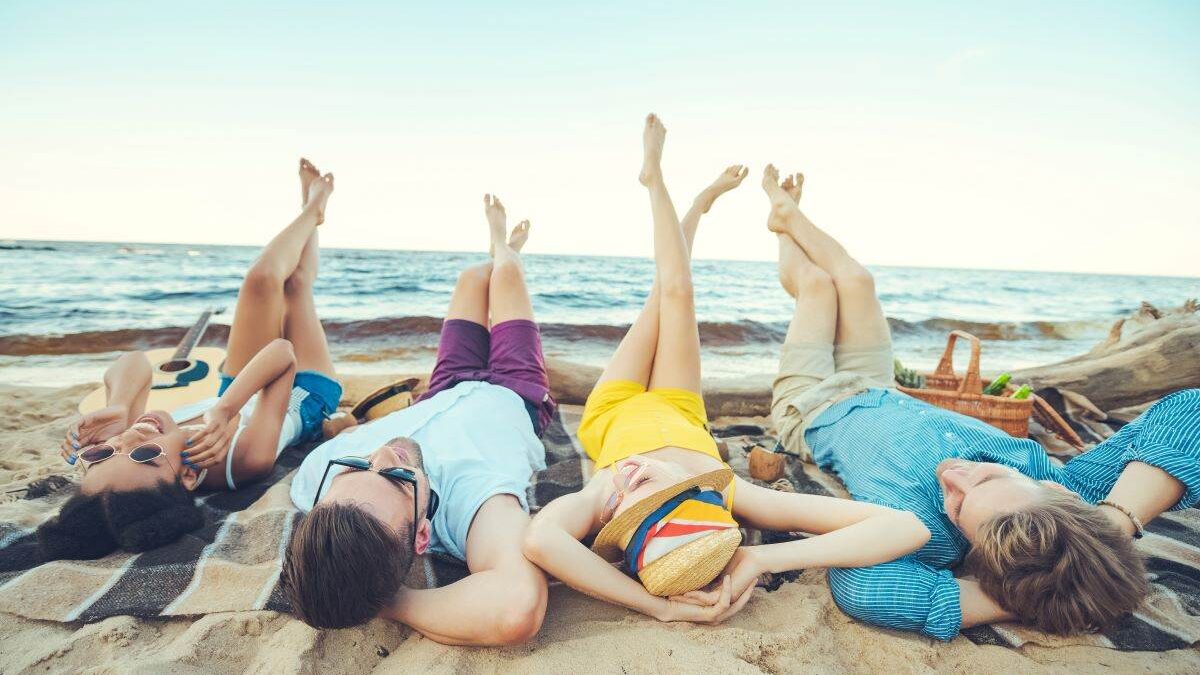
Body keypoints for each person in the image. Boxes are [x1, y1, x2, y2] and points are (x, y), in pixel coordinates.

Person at [761, 161, 1200, 639]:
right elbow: (1188, 412)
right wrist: (1115, 523)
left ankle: (782, 230)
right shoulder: (1067, 490)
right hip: (880, 385)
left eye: (957, 505)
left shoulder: (928, 538)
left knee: (818, 288)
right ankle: (789, 216)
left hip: (811, 407)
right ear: (1060, 494)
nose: (955, 477)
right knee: (859, 281)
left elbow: (867, 590)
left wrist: (1030, 593)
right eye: (988, 476)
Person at [521, 115, 931, 624]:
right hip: (678, 402)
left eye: (624, 507)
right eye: (646, 490)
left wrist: (658, 610)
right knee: (678, 290)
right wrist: (760, 557)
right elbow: (907, 527)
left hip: (614, 405)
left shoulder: (605, 494)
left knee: (666, 292)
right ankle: (677, 193)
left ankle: (668, 188)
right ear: (694, 497)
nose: (627, 483)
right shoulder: (731, 491)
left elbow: (540, 539)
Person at [282, 194, 553, 647]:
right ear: (422, 536)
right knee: (505, 275)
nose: (384, 452)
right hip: (514, 391)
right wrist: (388, 600)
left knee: (471, 278)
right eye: (396, 477)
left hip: (443, 387)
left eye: (355, 466)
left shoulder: (315, 480)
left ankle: (497, 247)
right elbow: (515, 607)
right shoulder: (472, 508)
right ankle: (506, 249)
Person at [39, 159, 343, 559]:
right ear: (187, 475)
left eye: (101, 455)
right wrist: (229, 407)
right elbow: (281, 357)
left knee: (259, 281)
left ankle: (310, 211)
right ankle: (313, 208)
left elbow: (131, 362)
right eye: (144, 456)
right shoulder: (243, 462)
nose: (128, 440)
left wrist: (117, 405)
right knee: (294, 286)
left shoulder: (137, 440)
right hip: (300, 390)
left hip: (234, 384)